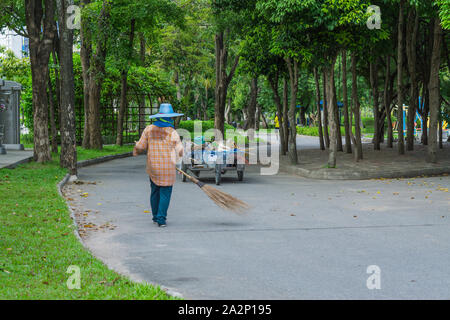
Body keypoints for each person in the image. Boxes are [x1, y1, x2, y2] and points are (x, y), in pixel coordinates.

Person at [133, 103, 184, 227]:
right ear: (169, 118)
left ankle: (155, 216)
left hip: (153, 167)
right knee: (165, 192)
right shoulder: (172, 132)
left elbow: (141, 146)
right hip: (167, 168)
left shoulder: (149, 129)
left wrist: (136, 146)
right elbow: (180, 150)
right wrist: (180, 164)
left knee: (155, 191)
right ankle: (161, 219)